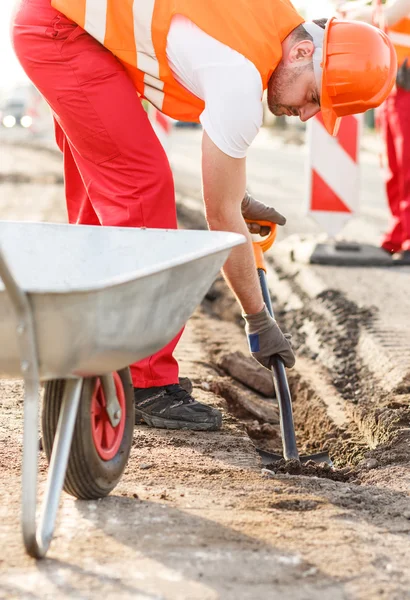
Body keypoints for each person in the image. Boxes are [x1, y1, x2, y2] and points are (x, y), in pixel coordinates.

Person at [12, 0, 396, 432]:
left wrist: (235, 195)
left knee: (104, 192)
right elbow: (220, 217)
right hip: (65, 31)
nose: (306, 114)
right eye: (313, 97)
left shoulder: (276, 20)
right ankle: (144, 381)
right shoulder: (242, 80)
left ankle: (83, 346)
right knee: (142, 188)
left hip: (67, 23)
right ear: (303, 53)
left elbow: (224, 190)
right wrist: (257, 319)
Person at [338, 0, 410, 262]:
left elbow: (388, 17)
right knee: (393, 169)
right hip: (391, 88)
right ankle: (398, 236)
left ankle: (406, 238)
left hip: (408, 89)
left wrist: (355, 12)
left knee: (407, 169)